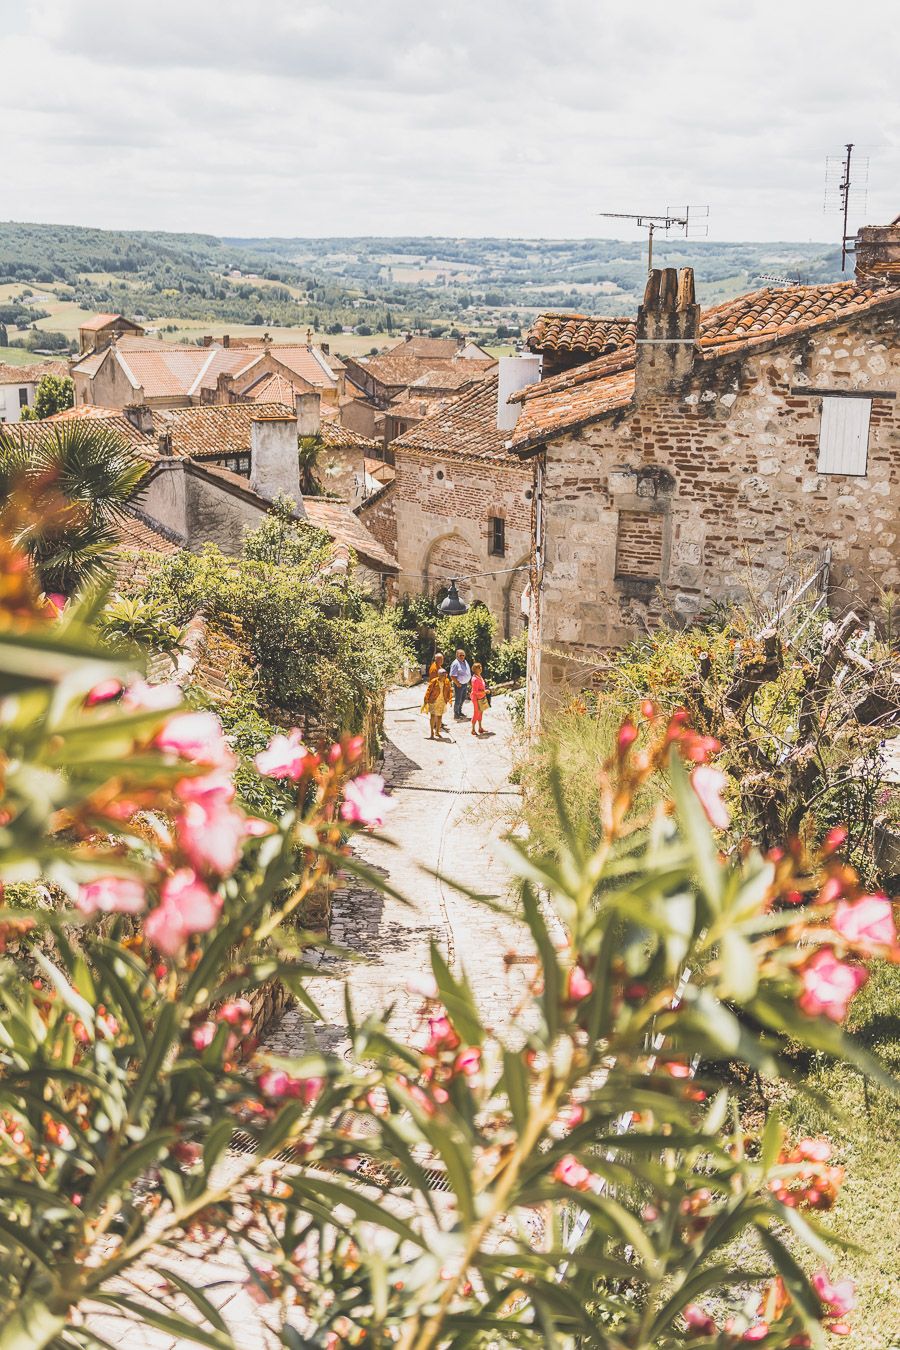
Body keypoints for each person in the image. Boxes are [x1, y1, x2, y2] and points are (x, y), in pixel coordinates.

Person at [421, 664, 453, 740]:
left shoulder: (447, 681)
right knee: (432, 716)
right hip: (433, 700)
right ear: (439, 675)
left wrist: (450, 700)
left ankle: (437, 732)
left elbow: (449, 691)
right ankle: (432, 732)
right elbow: (428, 691)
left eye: (445, 675)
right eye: (443, 675)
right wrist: (426, 700)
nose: (445, 677)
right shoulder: (434, 681)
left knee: (440, 716)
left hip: (442, 700)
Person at [449, 648, 471, 720]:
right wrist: (457, 684)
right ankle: (456, 714)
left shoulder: (465, 661)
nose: (462, 656)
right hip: (459, 685)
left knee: (463, 698)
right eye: (460, 655)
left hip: (465, 684)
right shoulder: (455, 663)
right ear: (457, 655)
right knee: (458, 699)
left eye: (463, 655)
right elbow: (452, 675)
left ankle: (459, 711)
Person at [470, 662, 488, 737]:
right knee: (476, 712)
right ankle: (473, 729)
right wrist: (484, 691)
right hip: (476, 698)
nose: (480, 668)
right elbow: (475, 691)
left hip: (481, 697)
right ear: (475, 669)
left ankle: (480, 727)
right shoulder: (474, 679)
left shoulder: (479, 676)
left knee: (481, 712)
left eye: (480, 666)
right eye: (478, 667)